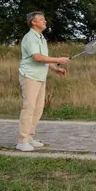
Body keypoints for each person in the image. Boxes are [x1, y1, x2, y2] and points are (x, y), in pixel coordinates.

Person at [16, 11, 70, 152]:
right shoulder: (30, 37)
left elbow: (44, 58)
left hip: (40, 77)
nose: (45, 21)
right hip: (29, 76)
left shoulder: (41, 38)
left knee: (38, 108)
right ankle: (22, 141)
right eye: (41, 19)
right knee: (29, 107)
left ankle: (29, 138)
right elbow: (37, 57)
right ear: (33, 22)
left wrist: (55, 68)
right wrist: (58, 59)